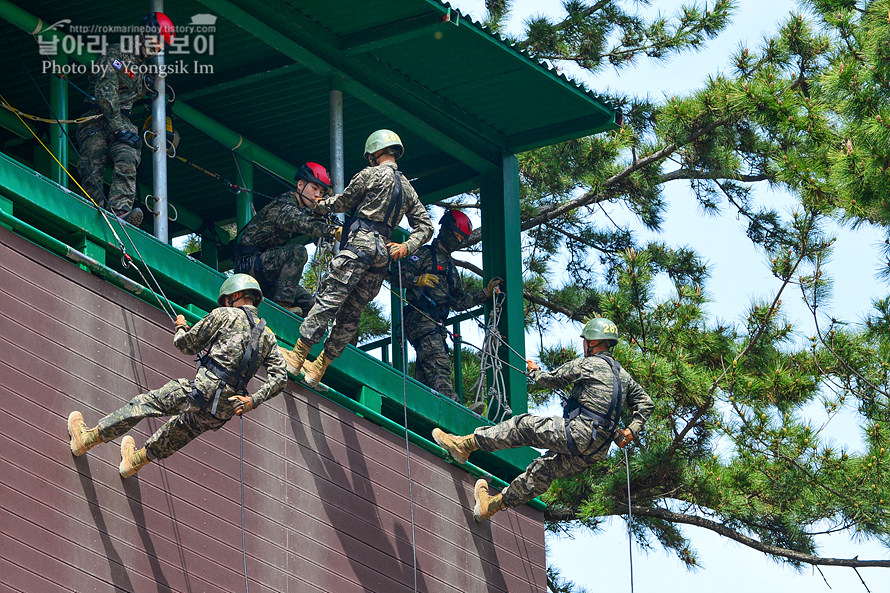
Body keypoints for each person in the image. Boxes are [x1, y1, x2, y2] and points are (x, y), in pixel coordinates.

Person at [432, 318, 654, 522]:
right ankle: (490, 505)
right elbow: (646, 403)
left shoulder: (589, 365)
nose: (584, 345)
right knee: (542, 472)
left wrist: (535, 371)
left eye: (586, 341)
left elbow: (551, 380)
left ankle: (464, 445)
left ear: (593, 342)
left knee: (523, 426)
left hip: (579, 433)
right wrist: (631, 430)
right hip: (596, 450)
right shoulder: (623, 376)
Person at [66, 274, 287, 478]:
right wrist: (252, 401)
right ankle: (134, 462)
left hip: (201, 390)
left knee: (145, 404)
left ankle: (87, 439)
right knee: (180, 432)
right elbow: (280, 378)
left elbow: (186, 346)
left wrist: (181, 328)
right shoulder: (267, 337)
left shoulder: (225, 315)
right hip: (224, 409)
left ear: (236, 295)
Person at [280, 129, 434, 388]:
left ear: (374, 153)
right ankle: (318, 369)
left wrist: (320, 205)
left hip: (359, 244)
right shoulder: (408, 188)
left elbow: (342, 202)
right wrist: (406, 247)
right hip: (382, 254)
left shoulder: (369, 175)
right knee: (351, 314)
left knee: (329, 300)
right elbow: (426, 227)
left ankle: (296, 358)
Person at [76, 12, 175, 227]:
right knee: (94, 156)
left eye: (161, 45)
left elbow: (133, 88)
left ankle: (119, 214)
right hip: (96, 118)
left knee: (128, 157)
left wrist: (150, 86)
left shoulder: (142, 67)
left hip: (123, 122)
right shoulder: (116, 53)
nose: (157, 48)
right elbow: (106, 92)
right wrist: (118, 128)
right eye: (155, 41)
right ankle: (93, 210)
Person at [392, 210, 502, 402]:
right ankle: (454, 406)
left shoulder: (451, 268)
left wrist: (485, 293)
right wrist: (419, 280)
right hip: (419, 318)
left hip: (436, 324)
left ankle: (425, 411)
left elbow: (459, 301)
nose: (457, 240)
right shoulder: (424, 254)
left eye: (461, 238)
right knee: (439, 364)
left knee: (427, 375)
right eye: (456, 235)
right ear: (446, 231)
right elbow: (396, 275)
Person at [234, 162, 340, 315]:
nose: (318, 195)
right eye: (314, 188)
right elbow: (298, 221)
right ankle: (282, 307)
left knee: (309, 305)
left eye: (322, 191)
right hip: (251, 266)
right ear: (300, 185)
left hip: (268, 274)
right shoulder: (285, 204)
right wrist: (333, 230)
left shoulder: (301, 209)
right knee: (298, 251)